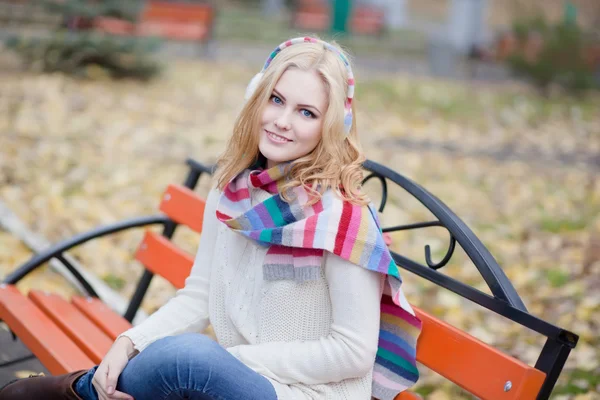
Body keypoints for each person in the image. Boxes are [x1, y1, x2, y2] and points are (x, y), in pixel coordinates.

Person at [0, 37, 421, 400]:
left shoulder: (342, 215)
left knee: (188, 357)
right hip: (242, 379)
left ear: (329, 126)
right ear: (256, 98)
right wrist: (129, 342)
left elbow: (352, 351)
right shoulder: (234, 190)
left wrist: (230, 360)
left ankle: (78, 392)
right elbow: (200, 295)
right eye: (276, 100)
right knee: (181, 359)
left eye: (306, 112)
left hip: (305, 393)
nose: (281, 121)